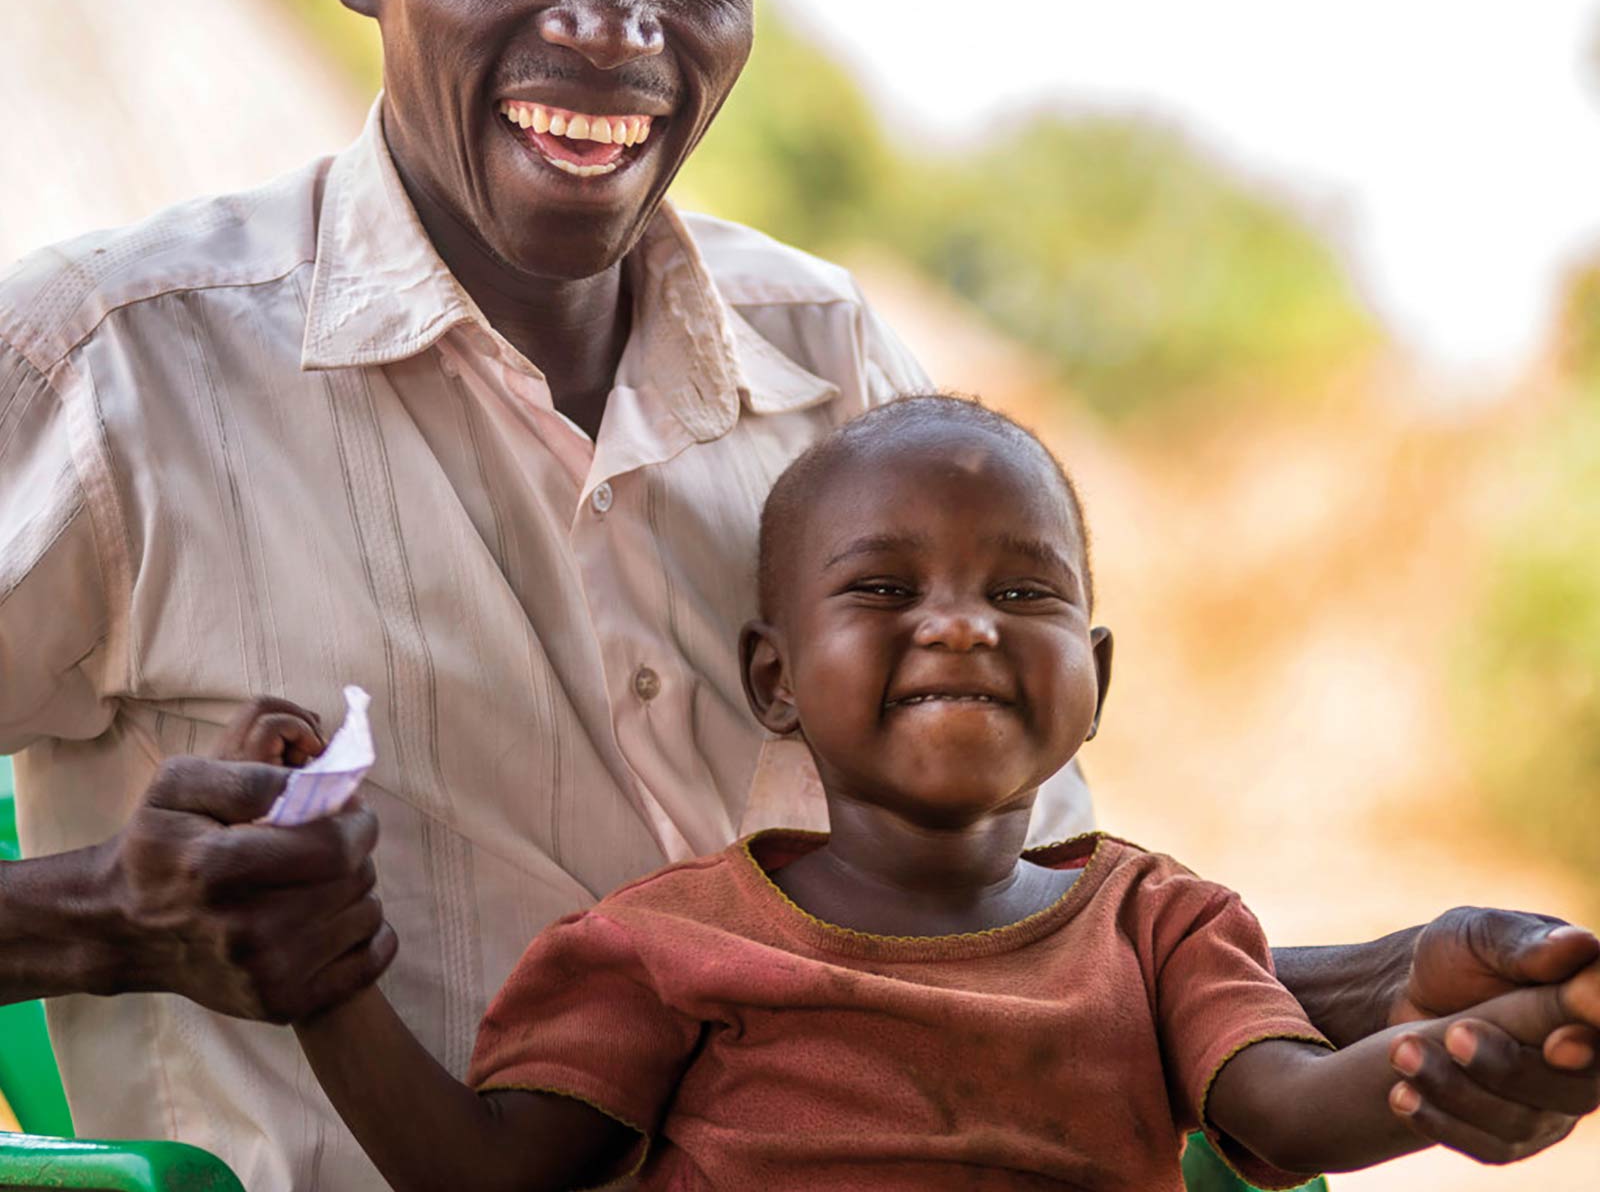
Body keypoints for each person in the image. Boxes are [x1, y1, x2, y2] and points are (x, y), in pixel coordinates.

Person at [0, 0, 1594, 1191]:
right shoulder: (110, 375)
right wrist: (106, 921)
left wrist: (1387, 1001)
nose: (611, 26)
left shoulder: (842, 379)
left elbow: (1003, 960)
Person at [244, 394, 1600, 1190]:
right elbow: (488, 1175)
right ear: (775, 680)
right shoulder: (666, 944)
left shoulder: (1161, 928)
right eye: (886, 591)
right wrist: (323, 974)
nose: (961, 627)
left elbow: (1287, 1110)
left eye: (1023, 593)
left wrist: (1500, 1044)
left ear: (1095, 679)